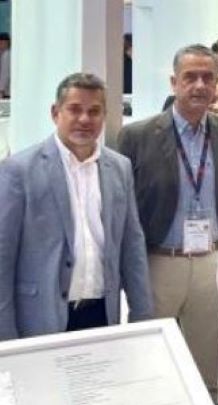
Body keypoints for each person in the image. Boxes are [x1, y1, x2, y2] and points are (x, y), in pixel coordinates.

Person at [117, 44, 218, 405]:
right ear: (174, 82)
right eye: (190, 77)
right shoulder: (137, 136)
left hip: (212, 260)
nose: (200, 85)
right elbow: (125, 210)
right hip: (159, 260)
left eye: (208, 77)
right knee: (151, 358)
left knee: (206, 362)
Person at [0, 72, 152, 340]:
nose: (84, 119)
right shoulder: (19, 170)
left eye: (94, 111)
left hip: (101, 313)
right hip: (40, 316)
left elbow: (132, 245)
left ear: (104, 116)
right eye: (74, 109)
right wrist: (5, 333)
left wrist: (142, 314)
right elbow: (4, 254)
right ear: (55, 113)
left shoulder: (120, 168)